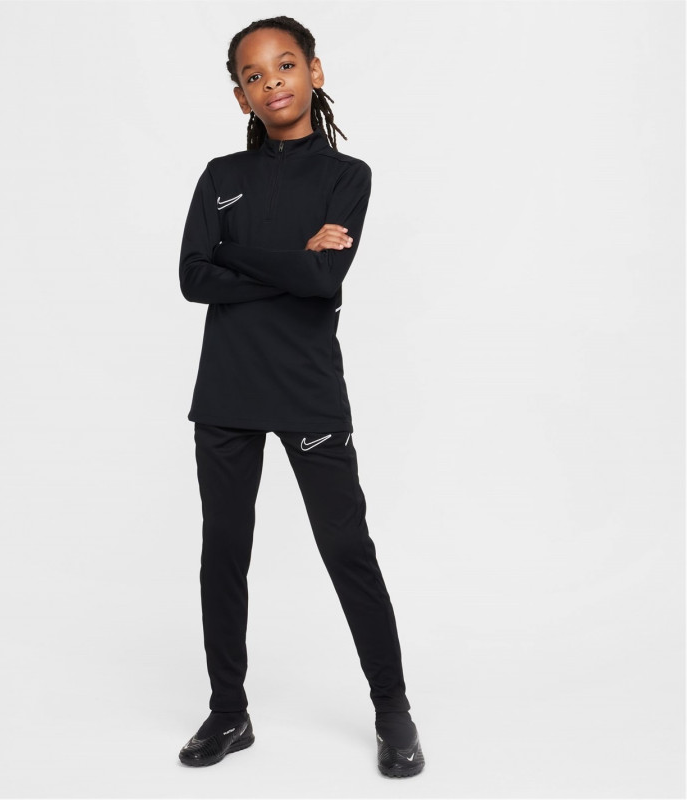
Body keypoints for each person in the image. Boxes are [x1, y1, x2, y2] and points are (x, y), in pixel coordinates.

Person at [176, 15, 425, 778]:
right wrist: (286, 259)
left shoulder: (348, 177)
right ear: (240, 96)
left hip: (307, 389)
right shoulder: (221, 176)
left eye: (285, 65)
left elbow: (323, 279)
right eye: (253, 75)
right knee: (224, 554)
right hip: (226, 392)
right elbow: (193, 278)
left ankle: (393, 710)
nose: (271, 82)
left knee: (347, 550)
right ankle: (229, 711)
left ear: (314, 72)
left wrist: (237, 255)